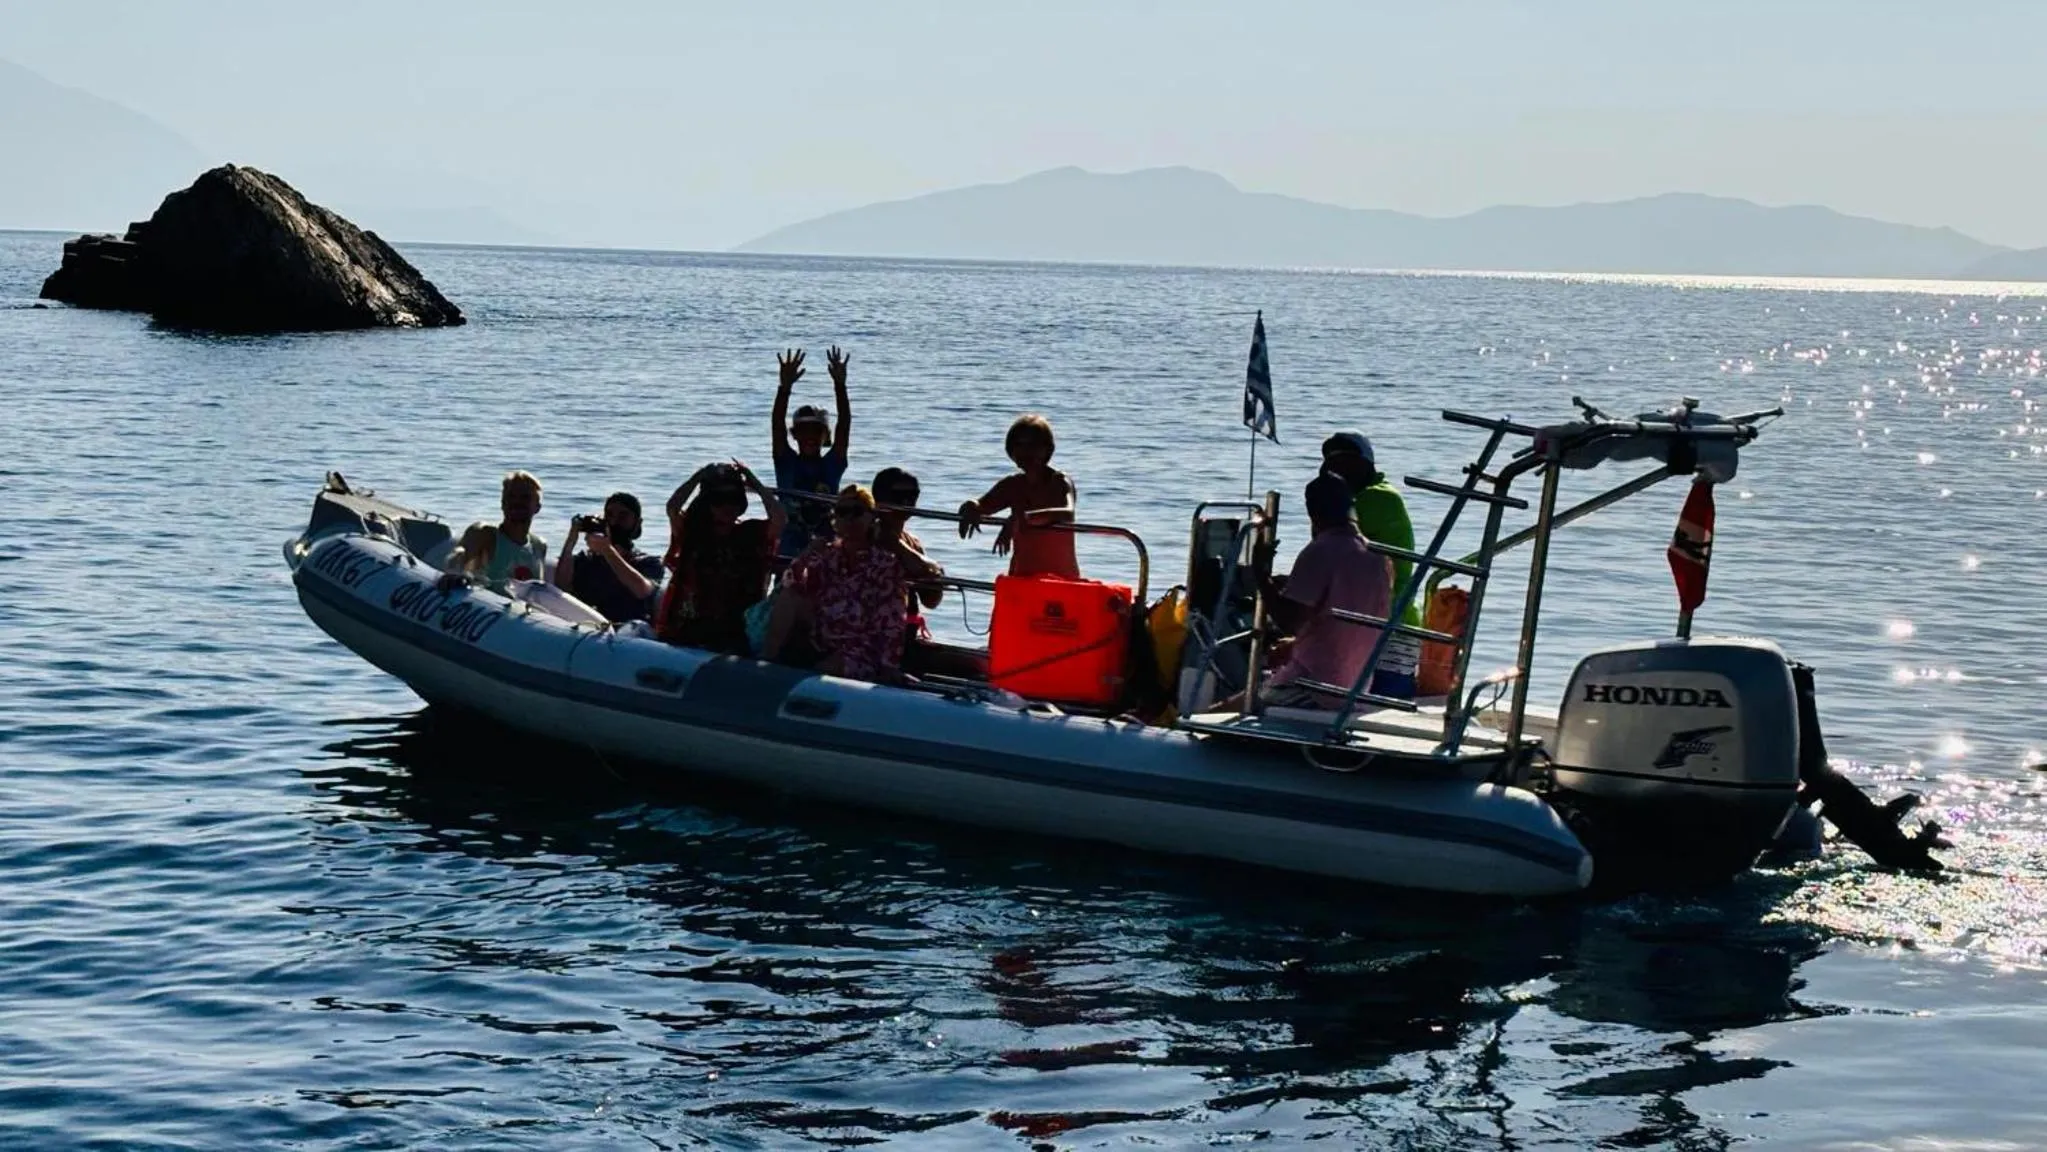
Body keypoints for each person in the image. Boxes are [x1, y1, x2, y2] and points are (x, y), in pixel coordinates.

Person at [1225, 473, 1392, 711]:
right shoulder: (1379, 557)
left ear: (1312, 513)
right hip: (1357, 688)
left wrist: (1260, 574)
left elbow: (1288, 622)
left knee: (1228, 709)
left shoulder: (1321, 550)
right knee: (1266, 679)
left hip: (1314, 688)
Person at [762, 484, 940, 682]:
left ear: (871, 517)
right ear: (834, 519)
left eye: (857, 512)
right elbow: (791, 582)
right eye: (842, 512)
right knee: (790, 597)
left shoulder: (885, 565)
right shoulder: (828, 555)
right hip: (822, 637)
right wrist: (805, 556)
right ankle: (766, 663)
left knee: (829, 668)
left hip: (860, 647)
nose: (849, 519)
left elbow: (893, 621)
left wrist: (888, 666)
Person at [1320, 430, 1421, 700]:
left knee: (1370, 706)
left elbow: (1328, 551)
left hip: (1386, 629)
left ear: (1367, 465)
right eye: (1332, 461)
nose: (1339, 468)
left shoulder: (1374, 499)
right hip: (1372, 622)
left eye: (1348, 460)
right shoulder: (1366, 497)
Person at [873, 466, 987, 680]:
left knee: (978, 662)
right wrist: (902, 551)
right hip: (878, 638)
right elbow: (929, 572)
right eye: (899, 496)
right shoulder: (871, 535)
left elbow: (932, 599)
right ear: (879, 498)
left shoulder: (912, 541)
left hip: (908, 635)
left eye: (912, 496)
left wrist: (928, 571)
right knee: (970, 671)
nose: (906, 503)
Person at [658, 461, 784, 654]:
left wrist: (755, 483)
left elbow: (780, 519)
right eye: (719, 500)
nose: (727, 506)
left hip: (735, 628)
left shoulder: (751, 533)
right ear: (707, 503)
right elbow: (673, 508)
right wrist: (700, 475)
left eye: (733, 499)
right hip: (690, 626)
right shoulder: (693, 532)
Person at [957, 413, 1080, 579]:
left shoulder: (1059, 481)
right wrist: (970, 507)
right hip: (1023, 577)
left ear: (1047, 448)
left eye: (1033, 445)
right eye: (1019, 445)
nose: (1025, 451)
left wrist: (1022, 518)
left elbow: (1065, 512)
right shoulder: (1013, 484)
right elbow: (983, 504)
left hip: (1060, 578)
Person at [771, 345, 852, 563]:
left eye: (816, 431)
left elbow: (844, 425)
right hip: (789, 549)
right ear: (794, 435)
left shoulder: (832, 464)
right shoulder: (786, 462)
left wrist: (839, 386)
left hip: (825, 549)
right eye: (802, 431)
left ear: (825, 435)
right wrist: (784, 387)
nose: (809, 436)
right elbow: (777, 424)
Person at [552, 491, 664, 624]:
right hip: (587, 628)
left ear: (637, 522)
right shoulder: (586, 561)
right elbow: (561, 588)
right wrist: (571, 541)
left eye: (623, 516)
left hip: (629, 632)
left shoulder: (649, 562)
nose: (614, 521)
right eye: (609, 515)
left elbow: (642, 590)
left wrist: (607, 550)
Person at [440, 470, 549, 593]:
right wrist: (454, 572)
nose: (517, 502)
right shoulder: (485, 534)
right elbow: (460, 553)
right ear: (502, 503)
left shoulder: (538, 545)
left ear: (537, 507)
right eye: (511, 496)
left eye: (525, 497)